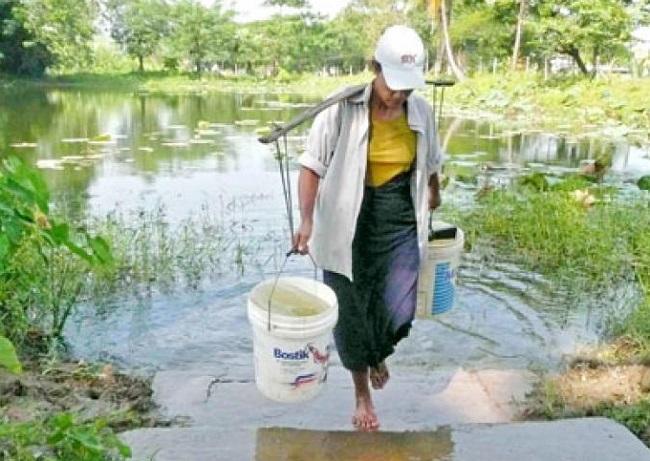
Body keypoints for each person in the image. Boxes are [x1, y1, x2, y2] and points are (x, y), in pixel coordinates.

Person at [293, 25, 442, 431]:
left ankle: (380, 351)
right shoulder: (341, 108)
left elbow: (431, 163)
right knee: (350, 305)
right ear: (375, 69)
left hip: (398, 214)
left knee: (400, 305)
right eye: (393, 85)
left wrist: (435, 195)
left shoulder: (422, 111)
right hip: (347, 216)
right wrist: (306, 220)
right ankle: (362, 392)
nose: (399, 95)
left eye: (407, 88)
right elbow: (311, 165)